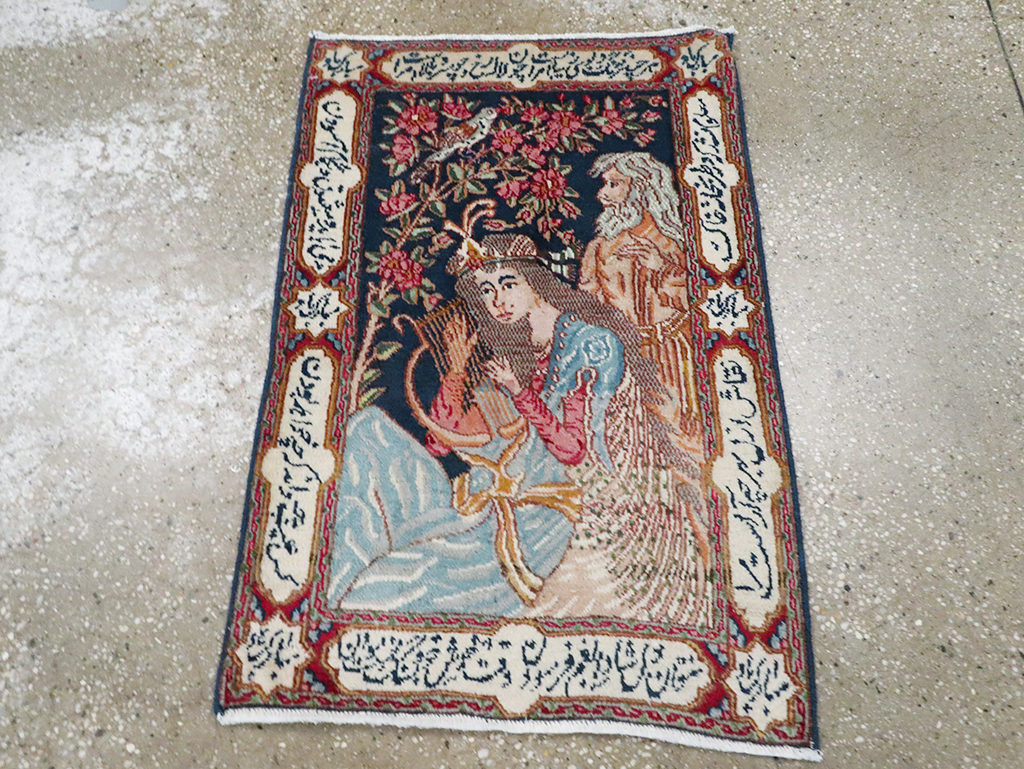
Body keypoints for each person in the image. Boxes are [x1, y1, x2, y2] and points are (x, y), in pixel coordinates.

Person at [328, 232, 708, 625]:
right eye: (486, 290)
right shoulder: (519, 351)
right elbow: (444, 442)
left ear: (536, 281)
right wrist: (456, 372)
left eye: (508, 283)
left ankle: (346, 612)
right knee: (367, 430)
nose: (497, 300)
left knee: (387, 584)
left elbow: (572, 450)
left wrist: (517, 391)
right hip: (490, 496)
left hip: (542, 515)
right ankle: (328, 601)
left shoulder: (589, 346)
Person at [580, 152, 701, 442]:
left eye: (614, 184)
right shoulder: (598, 248)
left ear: (641, 188)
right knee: (629, 434)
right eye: (605, 184)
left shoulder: (674, 244)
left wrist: (661, 268)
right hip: (621, 355)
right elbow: (587, 306)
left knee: (680, 433)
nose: (602, 194)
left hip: (671, 354)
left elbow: (697, 300)